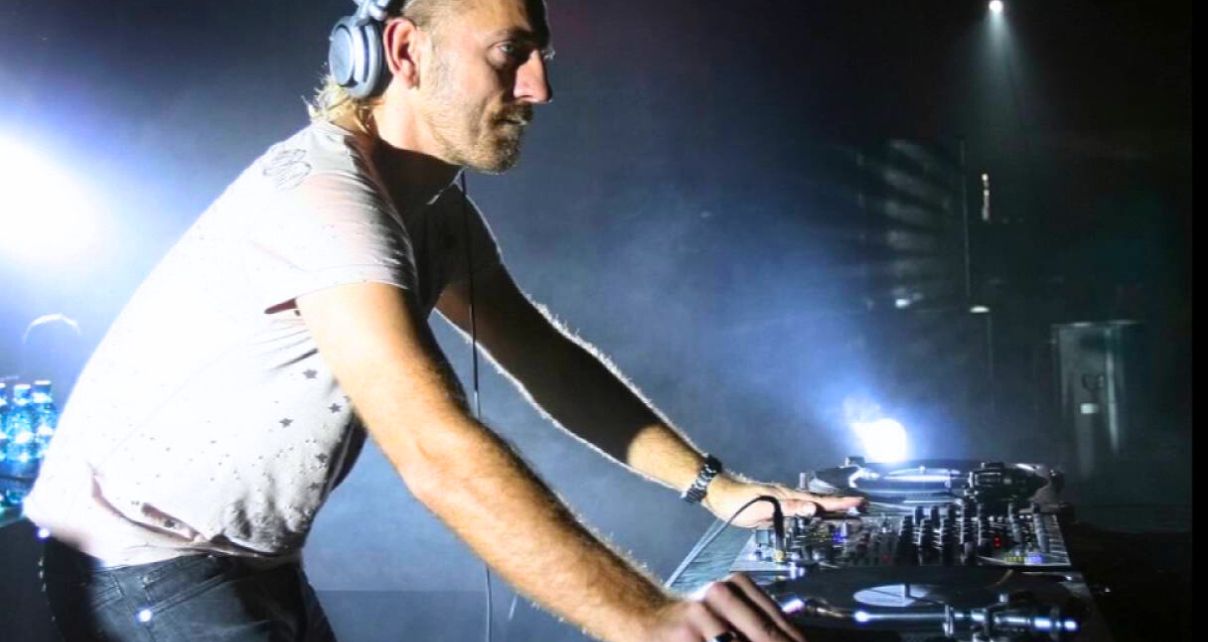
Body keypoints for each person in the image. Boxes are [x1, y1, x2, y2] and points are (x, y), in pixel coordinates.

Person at [25, 1, 860, 640]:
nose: (540, 87)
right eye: (511, 52)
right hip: (143, 570)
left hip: (236, 564)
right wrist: (643, 618)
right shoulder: (324, 197)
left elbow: (547, 362)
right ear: (402, 51)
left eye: (540, 55)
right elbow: (435, 450)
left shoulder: (432, 212)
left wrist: (719, 490)